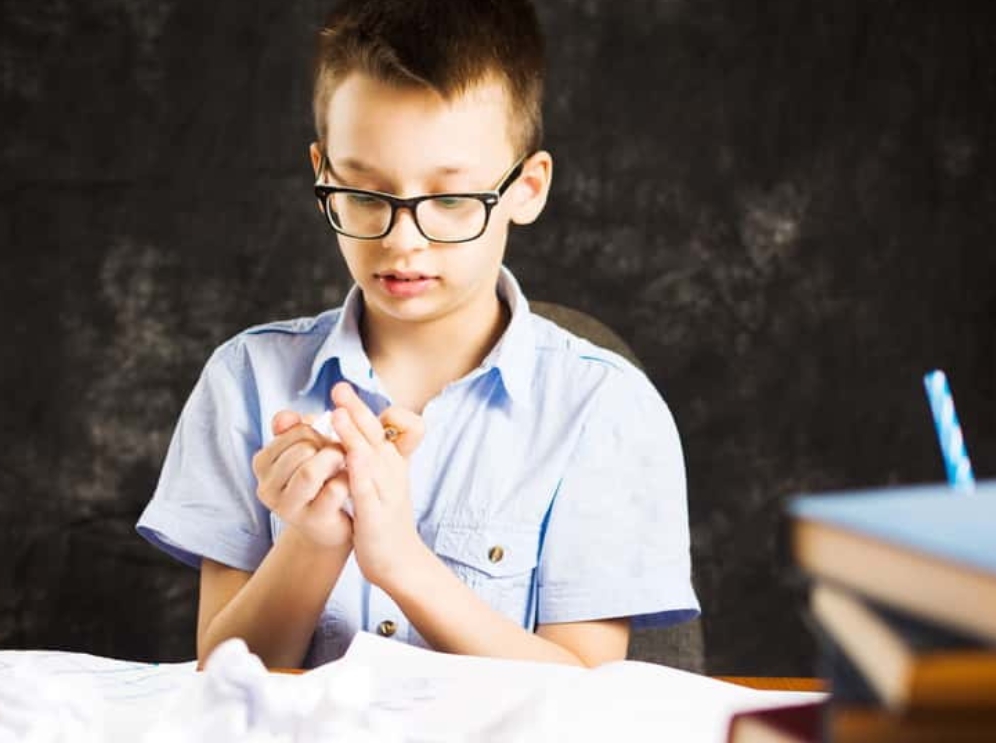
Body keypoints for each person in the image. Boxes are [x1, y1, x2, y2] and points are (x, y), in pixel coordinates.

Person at [136, 0, 699, 670]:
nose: (403, 242)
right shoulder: (246, 381)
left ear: (526, 187)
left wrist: (401, 562)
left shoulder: (603, 408)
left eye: (453, 200)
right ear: (324, 175)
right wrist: (312, 542)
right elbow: (223, 678)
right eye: (366, 195)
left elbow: (583, 696)